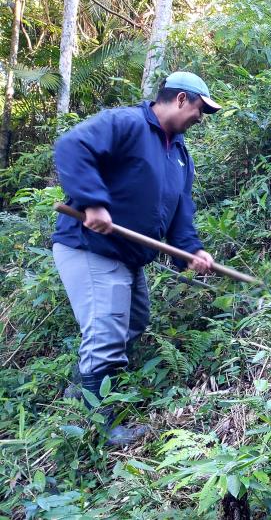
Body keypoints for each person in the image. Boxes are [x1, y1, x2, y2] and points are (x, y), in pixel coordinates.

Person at [52, 71, 221, 446]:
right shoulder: (125, 123)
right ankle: (102, 428)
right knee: (108, 329)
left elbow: (180, 211)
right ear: (180, 99)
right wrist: (94, 201)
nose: (200, 118)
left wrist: (191, 250)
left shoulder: (179, 154)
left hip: (128, 256)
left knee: (134, 321)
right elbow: (71, 146)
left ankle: (85, 389)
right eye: (199, 109)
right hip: (90, 248)